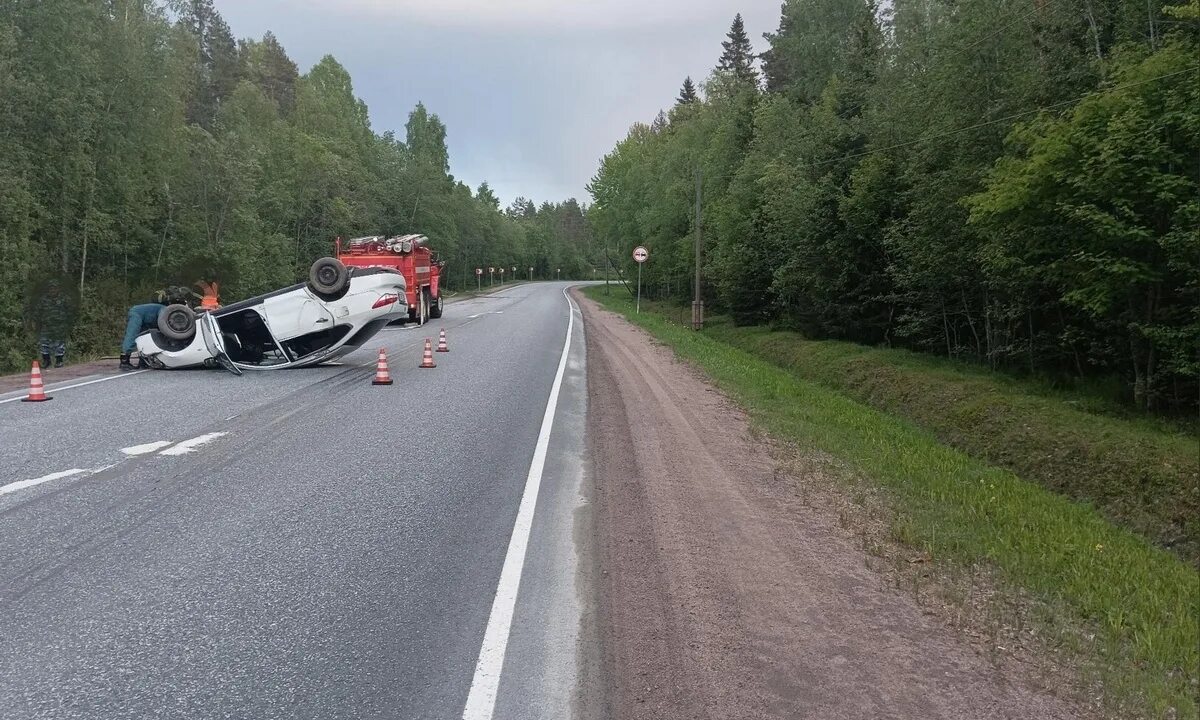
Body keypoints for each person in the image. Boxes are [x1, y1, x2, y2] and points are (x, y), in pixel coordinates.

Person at [119, 286, 193, 371]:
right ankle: (124, 362)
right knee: (131, 335)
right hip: (137, 313)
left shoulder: (164, 307)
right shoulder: (164, 309)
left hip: (145, 318)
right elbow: (163, 322)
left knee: (143, 339)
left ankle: (143, 362)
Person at [27, 275, 78, 369]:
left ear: (58, 289)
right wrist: (34, 321)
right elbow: (37, 311)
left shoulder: (64, 299)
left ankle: (59, 361)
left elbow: (71, 311)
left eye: (54, 288)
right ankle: (47, 361)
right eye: (51, 288)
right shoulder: (44, 300)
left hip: (59, 325)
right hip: (46, 325)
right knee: (44, 344)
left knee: (59, 344)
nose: (52, 290)